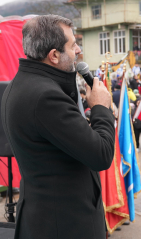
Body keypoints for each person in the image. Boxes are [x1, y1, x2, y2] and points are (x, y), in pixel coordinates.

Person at [1, 15, 115, 239]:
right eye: (73, 45)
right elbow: (101, 155)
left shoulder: (22, 83)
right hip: (63, 225)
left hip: (47, 217)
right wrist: (101, 108)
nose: (78, 51)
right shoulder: (46, 97)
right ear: (54, 55)